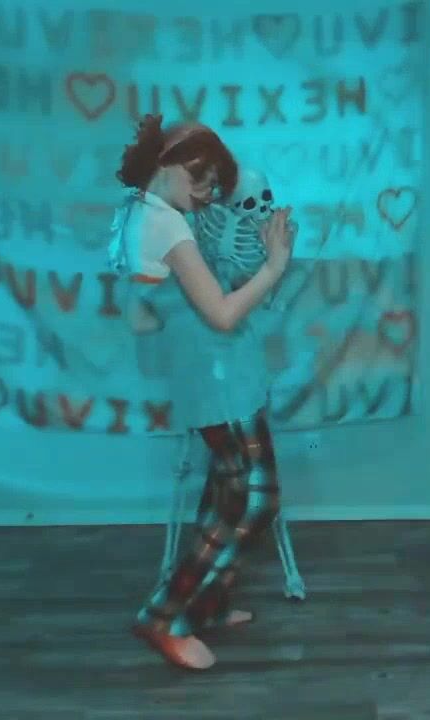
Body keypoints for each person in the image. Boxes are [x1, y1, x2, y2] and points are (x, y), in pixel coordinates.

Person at [106, 114, 297, 670]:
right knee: (254, 499)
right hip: (217, 376)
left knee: (226, 490)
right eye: (201, 178)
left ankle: (209, 603)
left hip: (207, 372)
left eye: (214, 183)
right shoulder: (166, 226)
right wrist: (276, 265)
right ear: (167, 163)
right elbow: (222, 315)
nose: (209, 193)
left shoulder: (138, 211)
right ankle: (164, 615)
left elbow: (140, 317)